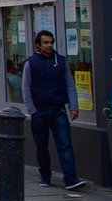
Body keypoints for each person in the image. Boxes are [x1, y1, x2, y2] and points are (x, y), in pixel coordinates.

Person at [22, 30, 86, 190]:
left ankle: (70, 179)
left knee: (65, 145)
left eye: (51, 42)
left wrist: (73, 107)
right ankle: (45, 176)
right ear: (38, 44)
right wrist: (32, 110)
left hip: (58, 109)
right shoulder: (31, 63)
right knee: (42, 146)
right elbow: (26, 88)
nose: (49, 45)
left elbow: (70, 85)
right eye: (45, 42)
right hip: (40, 111)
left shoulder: (62, 62)